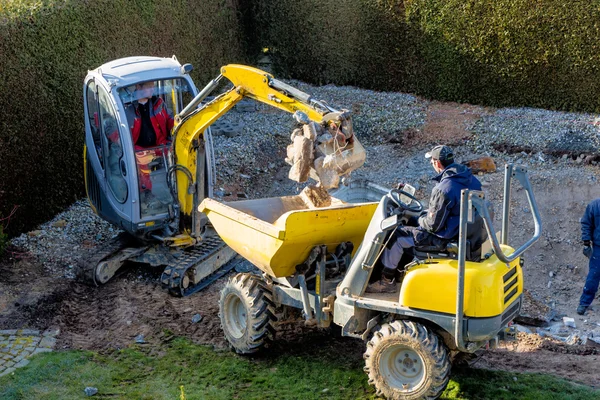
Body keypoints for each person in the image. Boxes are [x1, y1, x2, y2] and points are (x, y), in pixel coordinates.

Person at [367, 145, 483, 293]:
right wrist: (424, 216)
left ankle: (387, 281)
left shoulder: (444, 188)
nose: (432, 164)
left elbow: (432, 226)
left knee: (397, 235)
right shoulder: (470, 179)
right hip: (463, 232)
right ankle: (402, 273)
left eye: (432, 161)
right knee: (414, 223)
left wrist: (422, 216)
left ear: (437, 163)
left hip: (446, 238)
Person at [577, 198, 600, 315]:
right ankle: (584, 303)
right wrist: (586, 243)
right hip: (598, 248)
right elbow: (586, 223)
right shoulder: (595, 205)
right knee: (593, 276)